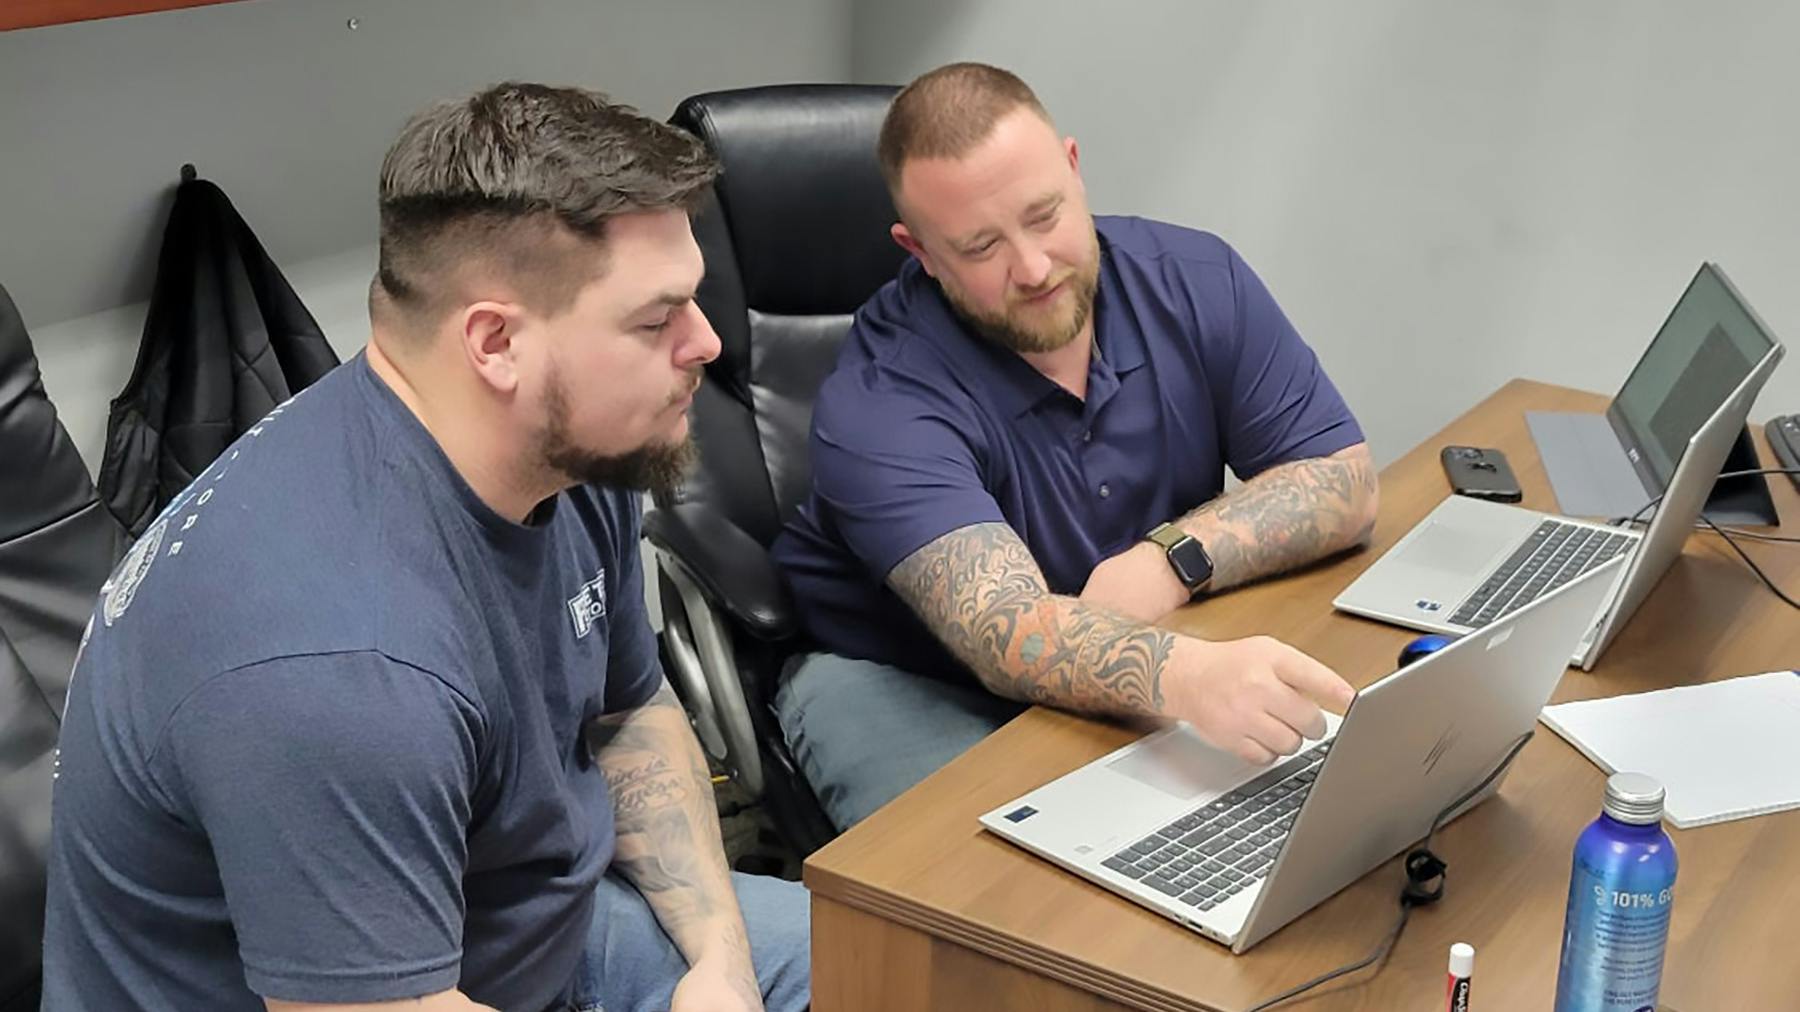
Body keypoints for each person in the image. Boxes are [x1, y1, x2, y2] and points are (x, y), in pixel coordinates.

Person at [42, 83, 808, 1012]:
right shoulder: (335, 666)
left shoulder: (575, 454)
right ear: (494, 343)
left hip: (525, 933)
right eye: (656, 320)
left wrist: (719, 969)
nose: (708, 343)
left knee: (878, 952)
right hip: (384, 991)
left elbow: (628, 716)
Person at [772, 63, 1379, 832]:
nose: (1031, 268)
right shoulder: (878, 400)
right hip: (909, 674)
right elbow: (1002, 629)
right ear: (919, 251)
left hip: (1141, 628)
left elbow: (1345, 481)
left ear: (1072, 166)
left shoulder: (1192, 280)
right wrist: (1186, 677)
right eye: (981, 245)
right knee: (988, 897)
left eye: (1044, 215)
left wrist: (1171, 559)